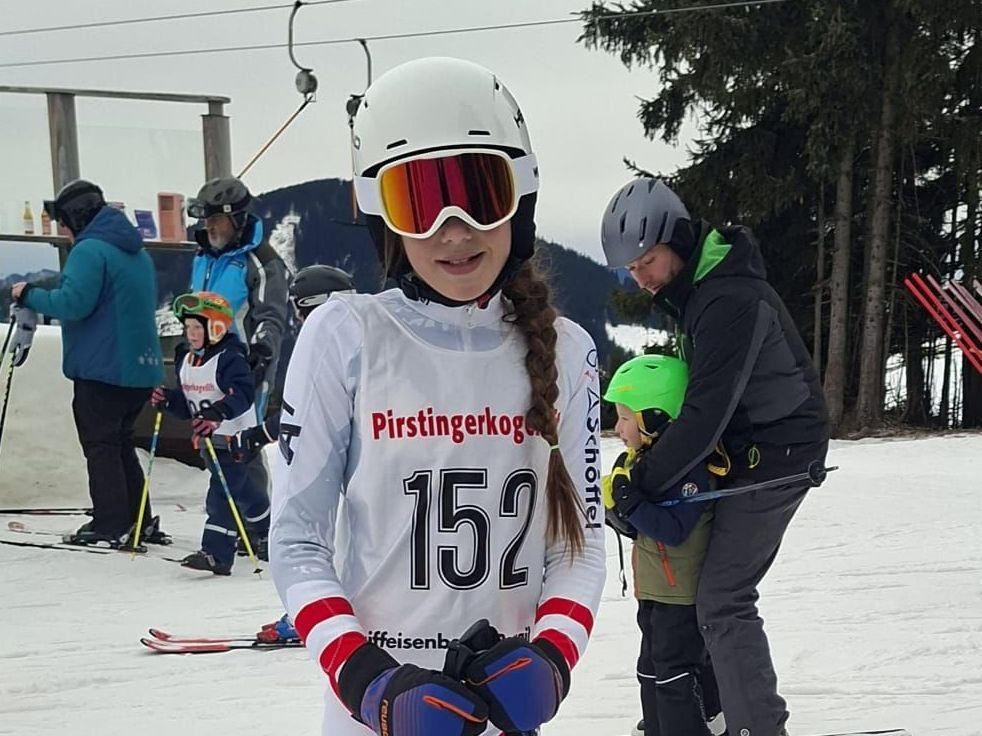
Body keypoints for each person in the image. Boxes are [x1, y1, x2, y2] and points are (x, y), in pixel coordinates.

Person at [269, 57, 606, 736]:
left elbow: (579, 546)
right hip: (380, 715)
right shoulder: (346, 336)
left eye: (481, 194)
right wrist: (369, 683)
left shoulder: (568, 352)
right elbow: (299, 540)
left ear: (521, 198)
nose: (454, 230)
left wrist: (552, 660)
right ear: (384, 218)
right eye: (420, 203)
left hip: (501, 712)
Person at [601, 178, 830, 736]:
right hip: (749, 448)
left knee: (723, 598)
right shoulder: (701, 291)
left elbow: (705, 414)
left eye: (647, 262)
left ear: (678, 240)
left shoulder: (727, 299)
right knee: (701, 582)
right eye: (631, 269)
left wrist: (642, 482)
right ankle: (710, 711)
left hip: (779, 453)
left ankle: (757, 726)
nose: (641, 278)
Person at [11, 179, 166, 548]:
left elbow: (73, 303)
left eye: (63, 223)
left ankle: (110, 523)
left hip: (104, 368)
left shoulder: (90, 250)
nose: (64, 232)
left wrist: (29, 294)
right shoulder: (134, 250)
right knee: (120, 442)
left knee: (101, 445)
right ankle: (138, 519)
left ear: (76, 218)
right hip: (140, 369)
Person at [602, 354, 723, 736]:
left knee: (674, 670)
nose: (617, 428)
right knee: (650, 666)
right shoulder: (649, 463)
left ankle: (686, 726)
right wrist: (617, 508)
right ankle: (659, 724)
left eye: (625, 418)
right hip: (655, 588)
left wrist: (630, 502)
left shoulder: (690, 470)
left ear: (655, 418)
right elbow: (641, 530)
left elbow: (673, 530)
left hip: (680, 594)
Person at [186, 176, 289, 539]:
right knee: (211, 440)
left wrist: (261, 353)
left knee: (240, 442)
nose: (209, 226)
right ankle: (243, 519)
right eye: (206, 219)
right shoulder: (204, 256)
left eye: (216, 219)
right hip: (205, 364)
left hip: (244, 364)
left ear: (237, 219)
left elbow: (271, 316)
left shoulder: (260, 261)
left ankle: (256, 525)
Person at [150, 291, 270, 574]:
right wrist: (169, 400)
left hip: (235, 439)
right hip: (208, 441)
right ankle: (268, 531)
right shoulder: (186, 358)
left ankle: (217, 554)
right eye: (188, 327)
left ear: (216, 328)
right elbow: (189, 405)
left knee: (221, 492)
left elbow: (242, 394)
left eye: (197, 328)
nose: (190, 334)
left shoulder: (230, 358)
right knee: (244, 492)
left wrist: (217, 414)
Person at [228, 264, 356, 463]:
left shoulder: (331, 351)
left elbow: (306, 407)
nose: (297, 317)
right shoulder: (362, 339)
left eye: (299, 307)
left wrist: (259, 435)